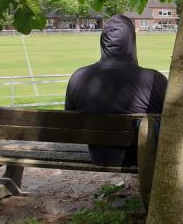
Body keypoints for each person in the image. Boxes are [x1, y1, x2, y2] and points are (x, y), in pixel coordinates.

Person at [65, 14, 168, 166]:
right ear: (132, 43)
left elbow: (70, 121)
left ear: (102, 42)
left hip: (98, 156)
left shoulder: (78, 77)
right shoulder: (155, 79)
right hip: (140, 156)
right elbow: (170, 122)